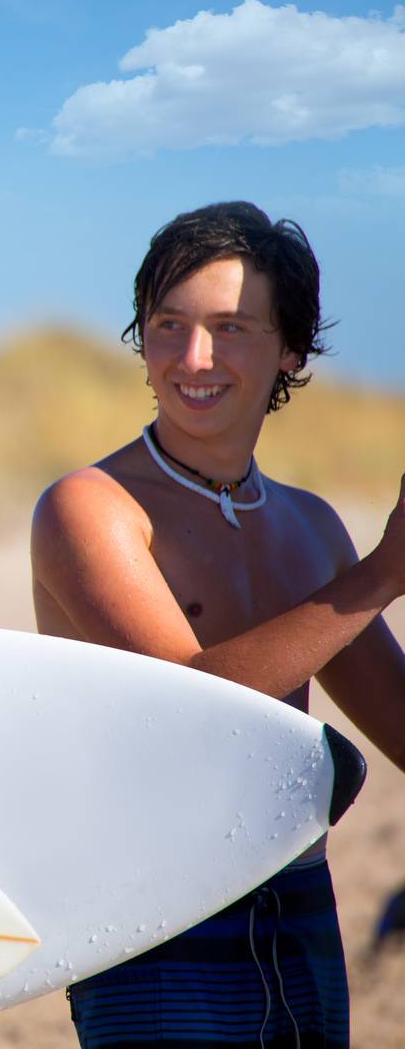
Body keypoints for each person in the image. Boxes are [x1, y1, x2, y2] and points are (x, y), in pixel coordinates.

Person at [32, 201, 405, 1049]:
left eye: (231, 328)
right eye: (168, 325)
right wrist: (384, 574)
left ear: (290, 350)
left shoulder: (310, 527)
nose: (193, 359)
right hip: (155, 915)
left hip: (299, 905)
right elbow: (189, 703)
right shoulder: (90, 508)